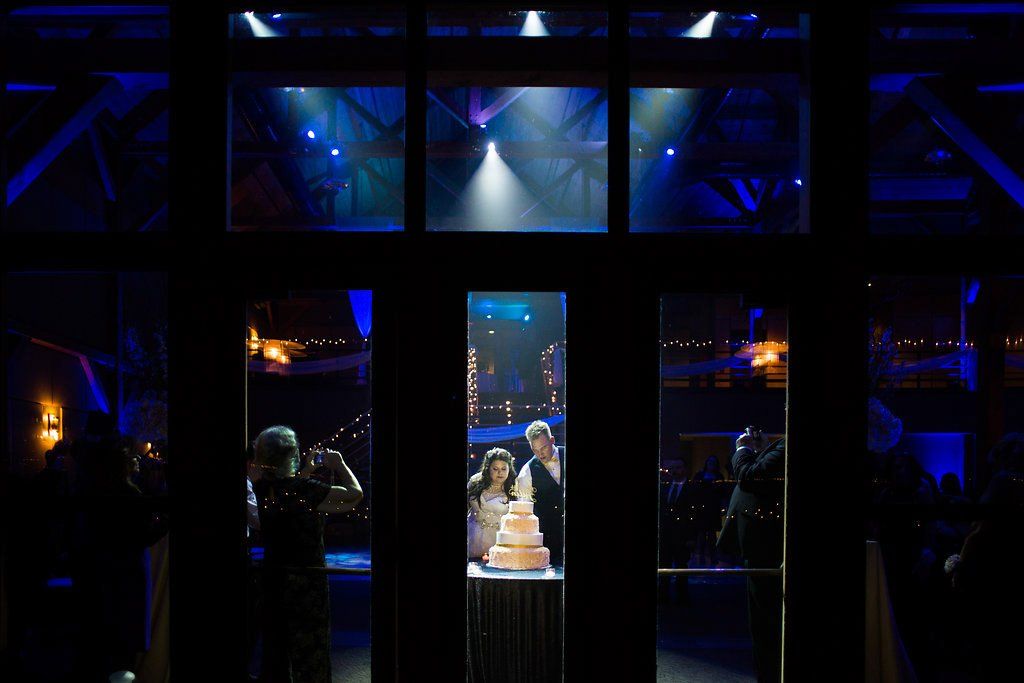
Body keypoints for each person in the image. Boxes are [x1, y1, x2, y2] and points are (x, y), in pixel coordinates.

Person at [251, 425, 363, 683]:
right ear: (293, 453)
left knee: (276, 651)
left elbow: (289, 490)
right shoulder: (304, 490)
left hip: (273, 577)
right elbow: (354, 496)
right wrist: (339, 465)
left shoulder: (261, 486)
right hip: (306, 581)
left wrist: (306, 471)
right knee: (310, 652)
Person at [718, 427, 784, 683]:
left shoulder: (786, 447)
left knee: (765, 620)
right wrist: (761, 450)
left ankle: (769, 675)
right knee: (764, 618)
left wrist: (742, 450)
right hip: (765, 543)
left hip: (766, 545)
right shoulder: (778, 449)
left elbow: (750, 477)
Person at [515, 420, 564, 565]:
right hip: (548, 540)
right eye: (534, 450)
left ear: (552, 440)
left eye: (543, 448)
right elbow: (525, 510)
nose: (540, 454)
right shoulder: (526, 471)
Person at [466, 448, 516, 559]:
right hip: (473, 538)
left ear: (509, 468)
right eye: (495, 469)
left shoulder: (513, 488)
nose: (500, 473)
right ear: (488, 468)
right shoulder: (475, 482)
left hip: (499, 543)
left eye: (504, 469)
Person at [659, 459, 691, 604]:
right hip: (666, 534)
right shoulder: (666, 487)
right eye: (672, 468)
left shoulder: (691, 488)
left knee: (681, 565)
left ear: (684, 469)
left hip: (682, 534)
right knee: (664, 565)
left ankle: (682, 596)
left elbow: (693, 514)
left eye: (678, 468)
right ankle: (663, 595)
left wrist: (692, 536)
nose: (675, 471)